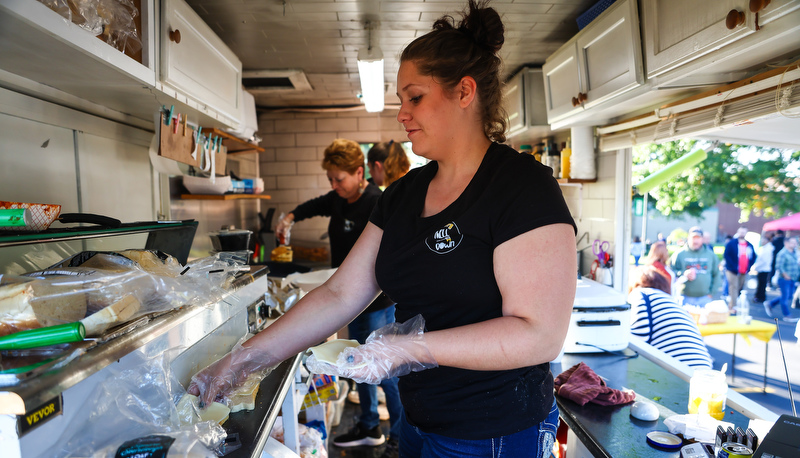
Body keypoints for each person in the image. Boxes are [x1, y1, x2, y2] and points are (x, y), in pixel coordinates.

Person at [189, 2, 578, 457]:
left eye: (414, 97)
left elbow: (539, 335)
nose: (402, 114)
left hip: (495, 433)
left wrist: (405, 350)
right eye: (400, 100)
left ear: (464, 92)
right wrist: (245, 360)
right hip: (418, 421)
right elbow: (340, 295)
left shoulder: (521, 187)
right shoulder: (404, 194)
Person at [274, 138, 404, 450]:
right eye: (330, 179)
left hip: (373, 301)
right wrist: (289, 217)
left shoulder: (376, 200)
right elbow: (313, 205)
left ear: (360, 173)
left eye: (339, 179)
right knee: (363, 364)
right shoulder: (337, 199)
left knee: (382, 368)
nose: (335, 185)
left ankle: (398, 433)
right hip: (349, 300)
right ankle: (371, 425)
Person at [628, 266, 713, 369]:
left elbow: (634, 344)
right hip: (704, 375)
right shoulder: (675, 305)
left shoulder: (642, 295)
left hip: (683, 377)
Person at [670, 226, 720, 307]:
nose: (695, 241)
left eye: (698, 238)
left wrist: (711, 293)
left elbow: (717, 274)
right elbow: (671, 272)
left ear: (702, 239)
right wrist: (683, 274)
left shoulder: (711, 255)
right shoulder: (679, 254)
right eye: (693, 238)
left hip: (705, 298)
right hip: (685, 298)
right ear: (688, 238)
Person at [765, 236, 799, 322]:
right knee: (785, 297)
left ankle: (770, 303)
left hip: (793, 278)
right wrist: (785, 275)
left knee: (789, 296)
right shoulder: (782, 253)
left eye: (795, 243)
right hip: (784, 279)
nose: (794, 244)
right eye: (792, 242)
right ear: (786, 243)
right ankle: (787, 315)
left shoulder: (794, 253)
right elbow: (778, 266)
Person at [722, 227, 756, 312]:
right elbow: (726, 255)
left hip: (744, 270)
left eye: (744, 232)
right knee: (734, 286)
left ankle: (732, 303)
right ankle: (734, 306)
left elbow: (753, 257)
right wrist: (732, 266)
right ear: (738, 232)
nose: (742, 234)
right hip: (732, 270)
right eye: (741, 232)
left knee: (739, 287)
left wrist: (749, 266)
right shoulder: (732, 243)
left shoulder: (749, 245)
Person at [751, 232, 774, 303]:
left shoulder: (767, 249)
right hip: (762, 268)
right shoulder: (765, 248)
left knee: (762, 284)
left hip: (764, 269)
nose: (762, 242)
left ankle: (760, 297)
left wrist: (756, 267)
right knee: (761, 284)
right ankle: (759, 296)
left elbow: (763, 260)